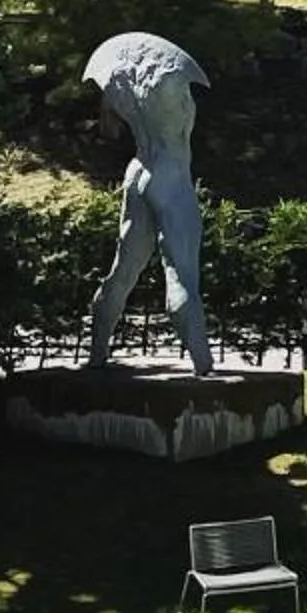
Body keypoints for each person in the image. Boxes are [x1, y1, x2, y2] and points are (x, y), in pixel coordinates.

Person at [84, 33, 214, 376]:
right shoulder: (173, 81)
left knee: (122, 271)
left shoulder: (117, 79)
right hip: (171, 174)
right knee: (183, 275)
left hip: (138, 171)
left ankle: (97, 354)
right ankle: (204, 367)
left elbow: (108, 131)